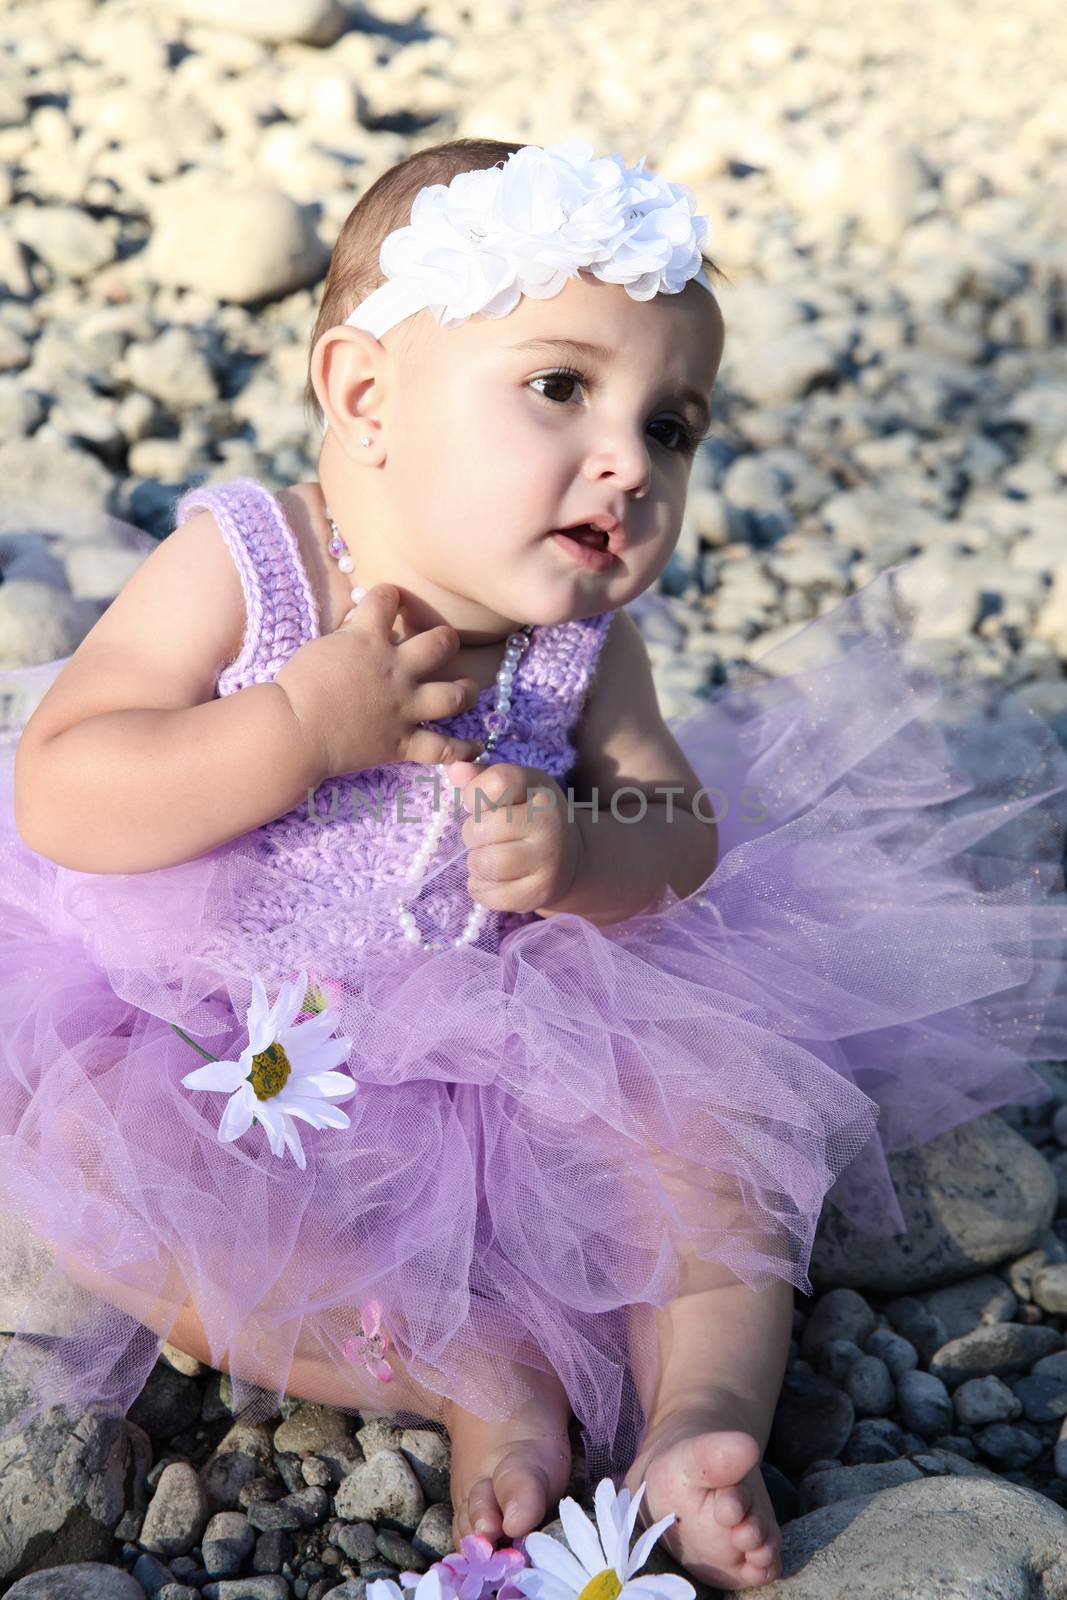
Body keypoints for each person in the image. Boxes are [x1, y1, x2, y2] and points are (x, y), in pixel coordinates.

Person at [2, 135, 1067, 1594]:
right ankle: (462, 1374)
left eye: (674, 423)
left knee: (719, 1132)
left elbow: (675, 828)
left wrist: (582, 854)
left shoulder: (583, 647)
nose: (630, 459)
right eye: (562, 387)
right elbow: (64, 786)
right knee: (93, 1161)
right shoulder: (253, 568)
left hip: (516, 1021)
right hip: (219, 1032)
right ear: (365, 396)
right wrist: (297, 727)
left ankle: (698, 1420)